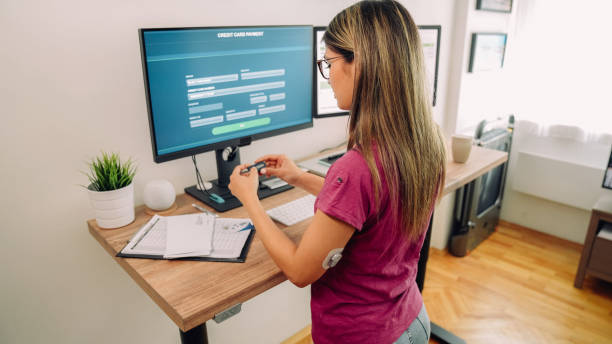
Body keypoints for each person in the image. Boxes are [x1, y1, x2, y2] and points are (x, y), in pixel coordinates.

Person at [228, 1, 446, 343]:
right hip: (411, 319)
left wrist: (250, 201)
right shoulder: (425, 140)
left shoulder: (357, 168)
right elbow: (370, 204)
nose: (327, 76)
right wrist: (298, 177)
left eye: (328, 63)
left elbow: (300, 271)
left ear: (361, 63)